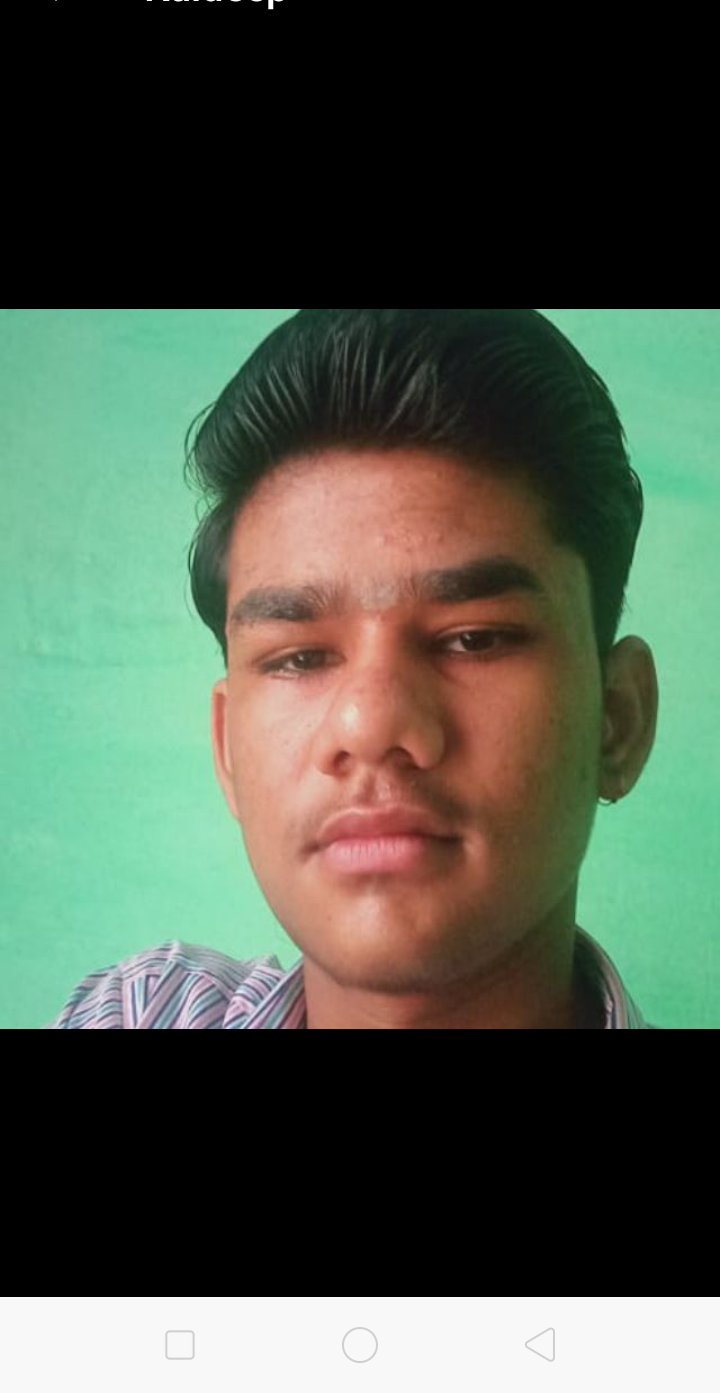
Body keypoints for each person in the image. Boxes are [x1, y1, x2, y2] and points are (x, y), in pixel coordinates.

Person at [48, 309, 660, 1029]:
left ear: (617, 721)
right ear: (227, 751)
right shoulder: (137, 1011)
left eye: (474, 639)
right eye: (300, 657)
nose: (369, 725)